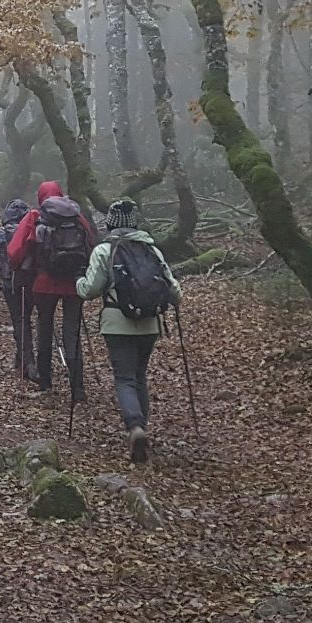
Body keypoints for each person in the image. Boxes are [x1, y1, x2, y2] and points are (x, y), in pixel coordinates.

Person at [78, 198, 182, 463]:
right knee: (139, 375)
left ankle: (135, 427)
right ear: (135, 224)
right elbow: (173, 289)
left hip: (117, 323)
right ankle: (142, 427)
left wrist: (78, 282)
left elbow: (90, 290)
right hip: (149, 323)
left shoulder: (104, 250)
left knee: (124, 378)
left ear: (110, 224)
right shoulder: (151, 249)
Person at [6, 180, 96, 398]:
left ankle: (45, 381)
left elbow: (15, 252)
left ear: (40, 197)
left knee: (44, 328)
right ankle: (77, 387)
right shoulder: (77, 216)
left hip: (44, 283)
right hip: (74, 284)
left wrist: (21, 269)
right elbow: (92, 244)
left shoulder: (35, 216)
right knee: (72, 332)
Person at [0, 198, 31, 367]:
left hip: (9, 283)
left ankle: (25, 359)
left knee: (18, 319)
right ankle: (25, 358)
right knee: (26, 317)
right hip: (29, 281)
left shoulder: (1, 233)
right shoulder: (32, 230)